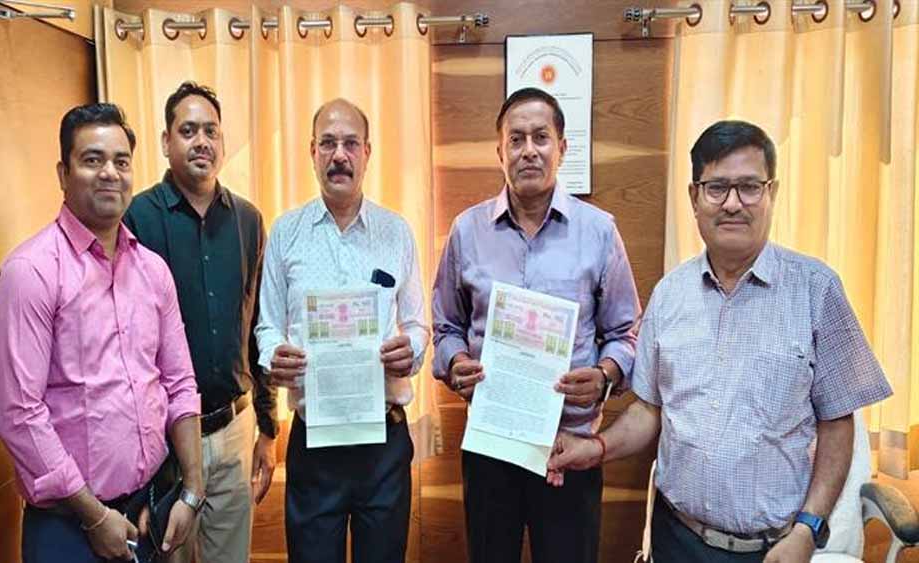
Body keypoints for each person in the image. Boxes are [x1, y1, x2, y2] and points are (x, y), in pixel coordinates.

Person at [548, 120, 893, 563]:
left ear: (772, 192)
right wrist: (594, 449)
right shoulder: (669, 295)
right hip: (677, 540)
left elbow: (837, 421)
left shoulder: (816, 290)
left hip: (775, 549)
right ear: (694, 197)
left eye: (749, 187)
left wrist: (808, 529)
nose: (732, 203)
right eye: (717, 188)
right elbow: (650, 411)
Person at [0, 103, 204, 563]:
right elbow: (20, 415)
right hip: (68, 526)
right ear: (63, 174)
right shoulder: (30, 273)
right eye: (92, 160)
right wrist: (95, 517)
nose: (109, 174)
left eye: (121, 161)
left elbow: (179, 382)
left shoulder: (153, 271)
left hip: (149, 510)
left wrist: (192, 490)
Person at [431, 87, 641, 563]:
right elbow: (445, 326)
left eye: (541, 137)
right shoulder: (467, 231)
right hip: (492, 444)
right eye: (517, 139)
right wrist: (456, 362)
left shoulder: (599, 231)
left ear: (561, 148)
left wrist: (605, 375)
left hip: (571, 447)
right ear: (499, 151)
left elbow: (626, 332)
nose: (529, 150)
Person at [255, 98, 429, 563]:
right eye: (328, 143)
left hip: (383, 441)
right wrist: (274, 355)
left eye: (351, 143)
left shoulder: (396, 232)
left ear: (367, 152)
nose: (339, 155)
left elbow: (417, 325)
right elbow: (267, 326)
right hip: (315, 442)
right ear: (312, 151)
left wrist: (410, 349)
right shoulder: (286, 232)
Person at [123, 81, 277, 563]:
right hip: (165, 441)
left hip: (235, 429)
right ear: (165, 142)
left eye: (211, 131)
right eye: (188, 131)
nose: (201, 141)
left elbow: (257, 327)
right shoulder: (136, 218)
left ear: (222, 142)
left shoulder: (248, 220)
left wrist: (268, 427)